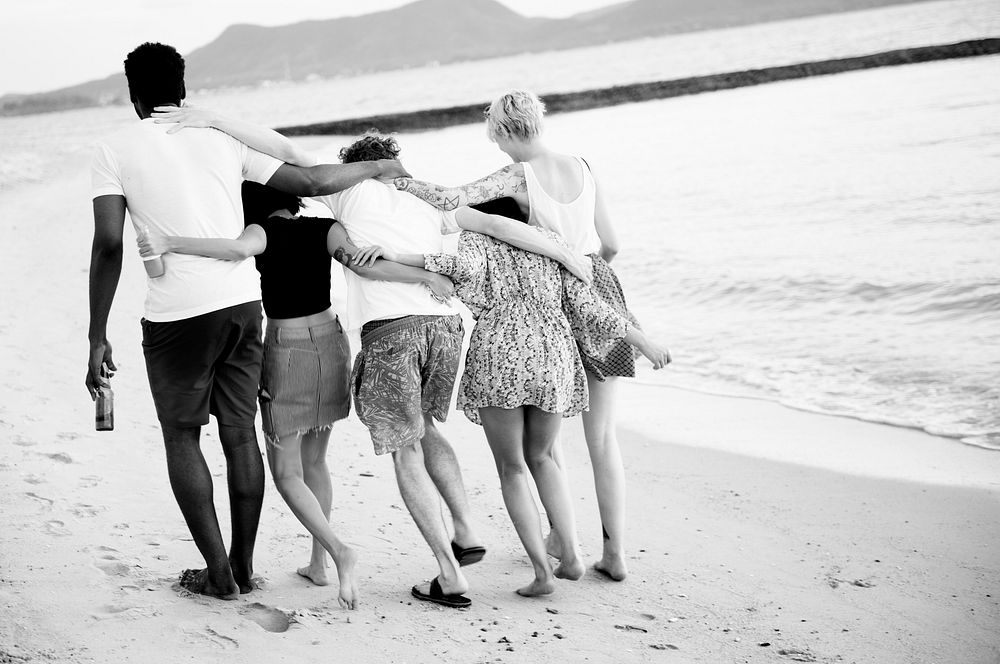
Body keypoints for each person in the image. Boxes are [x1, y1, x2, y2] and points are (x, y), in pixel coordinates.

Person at [85, 42, 409, 601]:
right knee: (240, 436)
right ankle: (243, 564)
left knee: (183, 436)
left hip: (176, 317)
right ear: (182, 88)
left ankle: (219, 575)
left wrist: (96, 333)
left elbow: (110, 244)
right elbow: (310, 183)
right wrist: (377, 166)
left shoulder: (113, 148)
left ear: (134, 95)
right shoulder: (220, 137)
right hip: (241, 306)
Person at [392, 89, 649, 581]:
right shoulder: (584, 166)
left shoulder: (516, 175)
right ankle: (613, 555)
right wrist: (589, 271)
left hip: (547, 303)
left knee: (544, 448)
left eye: (495, 135)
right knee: (602, 438)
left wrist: (401, 181)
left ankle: (562, 542)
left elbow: (451, 201)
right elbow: (612, 243)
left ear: (504, 131)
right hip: (599, 288)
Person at [136, 182, 397, 609]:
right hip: (332, 342)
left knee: (287, 472)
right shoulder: (327, 228)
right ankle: (317, 565)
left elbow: (235, 250)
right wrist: (420, 269)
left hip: (287, 350)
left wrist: (170, 241)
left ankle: (338, 550)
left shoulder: (261, 231)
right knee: (316, 461)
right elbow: (363, 263)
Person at [378, 219, 670, 596]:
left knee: (512, 468)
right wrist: (642, 340)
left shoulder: (476, 240)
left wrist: (397, 256)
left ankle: (543, 575)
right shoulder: (551, 243)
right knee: (545, 457)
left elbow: (457, 268)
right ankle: (570, 553)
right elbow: (590, 307)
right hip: (553, 353)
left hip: (500, 354)